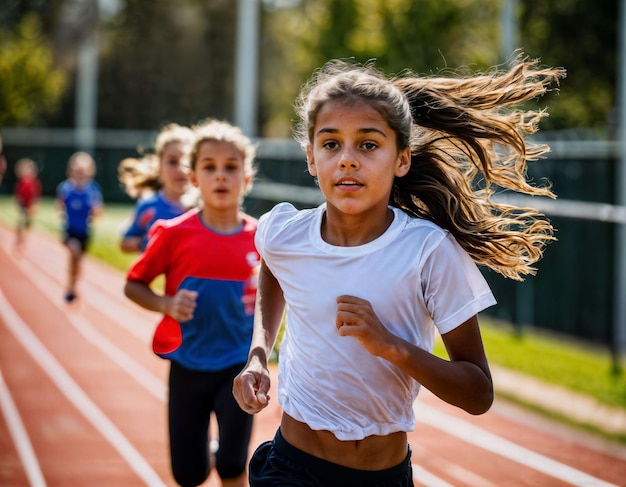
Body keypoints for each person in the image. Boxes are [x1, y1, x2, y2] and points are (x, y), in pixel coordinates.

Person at [232, 54, 565, 487]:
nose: (347, 160)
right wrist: (259, 353)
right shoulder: (285, 233)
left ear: (401, 159)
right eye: (331, 144)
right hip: (292, 467)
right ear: (312, 158)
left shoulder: (428, 251)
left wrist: (390, 345)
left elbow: (478, 393)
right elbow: (274, 268)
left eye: (368, 145)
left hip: (383, 476)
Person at [124, 119, 260, 487]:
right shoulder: (173, 234)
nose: (221, 176)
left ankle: (224, 455)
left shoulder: (262, 239)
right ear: (194, 178)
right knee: (188, 474)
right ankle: (202, 457)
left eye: (231, 167)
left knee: (233, 466)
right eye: (210, 167)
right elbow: (134, 284)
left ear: (246, 178)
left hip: (237, 366)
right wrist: (166, 304)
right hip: (187, 365)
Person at [118, 123, 195, 253]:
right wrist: (148, 242)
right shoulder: (148, 207)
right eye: (172, 162)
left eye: (187, 162)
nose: (181, 170)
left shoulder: (202, 209)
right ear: (159, 166)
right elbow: (125, 243)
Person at [56, 151, 104, 303]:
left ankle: (73, 285)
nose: (80, 174)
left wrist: (94, 211)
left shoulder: (92, 190)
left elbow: (98, 211)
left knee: (77, 261)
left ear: (89, 173)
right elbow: (59, 205)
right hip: (70, 230)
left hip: (84, 231)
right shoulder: (65, 188)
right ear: (71, 171)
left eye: (83, 172)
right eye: (77, 171)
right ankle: (71, 287)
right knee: (74, 252)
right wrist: (63, 216)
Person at [13, 157, 42, 252]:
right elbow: (18, 193)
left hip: (30, 205)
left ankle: (24, 239)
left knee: (27, 223)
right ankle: (20, 238)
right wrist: (18, 202)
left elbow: (36, 195)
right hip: (23, 205)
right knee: (21, 222)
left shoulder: (34, 182)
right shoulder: (21, 182)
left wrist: (34, 205)